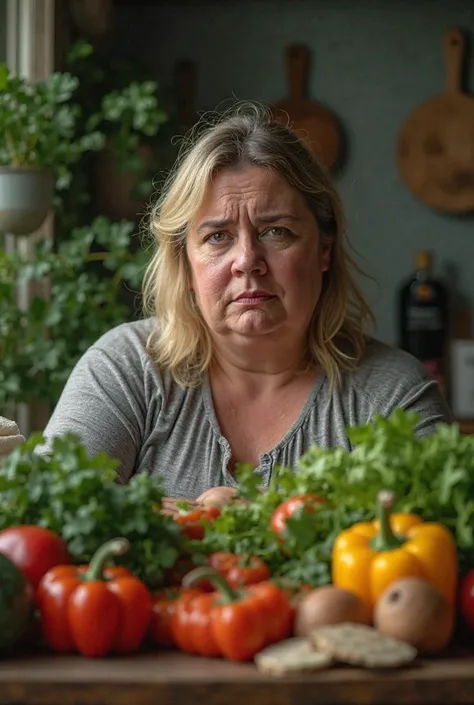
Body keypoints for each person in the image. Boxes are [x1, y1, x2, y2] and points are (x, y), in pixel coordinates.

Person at [40, 102, 452, 516]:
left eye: (276, 231)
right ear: (185, 264)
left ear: (324, 250)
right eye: (218, 236)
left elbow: (436, 546)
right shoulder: (126, 368)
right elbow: (56, 506)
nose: (247, 260)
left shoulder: (393, 395)